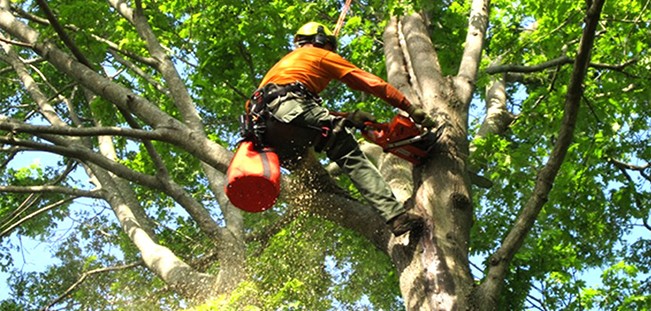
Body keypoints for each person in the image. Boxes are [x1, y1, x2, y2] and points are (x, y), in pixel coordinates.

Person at [245, 22, 436, 236]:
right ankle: (396, 216)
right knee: (346, 151)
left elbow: (301, 115)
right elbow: (369, 82)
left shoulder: (284, 68)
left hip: (265, 132)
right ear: (321, 41)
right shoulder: (319, 54)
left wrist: (350, 118)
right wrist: (408, 106)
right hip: (290, 109)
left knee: (317, 173)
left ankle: (335, 197)